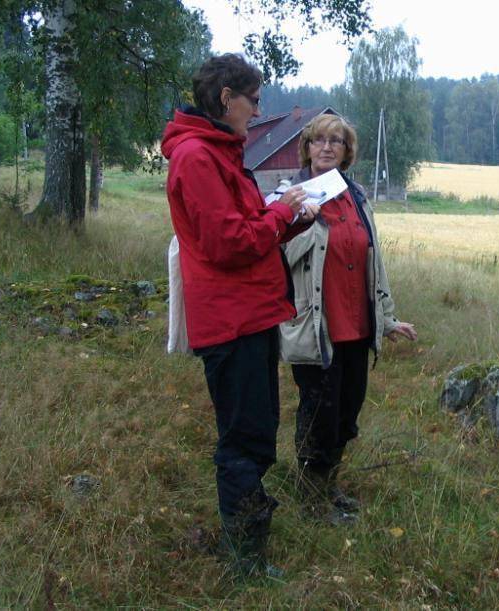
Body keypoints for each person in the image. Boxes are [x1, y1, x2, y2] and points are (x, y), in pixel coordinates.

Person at [161, 53, 319, 577]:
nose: (257, 110)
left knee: (255, 432)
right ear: (226, 97)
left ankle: (247, 543)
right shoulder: (197, 158)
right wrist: (280, 211)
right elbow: (229, 242)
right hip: (230, 321)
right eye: (253, 99)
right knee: (244, 439)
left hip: (249, 313)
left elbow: (250, 227)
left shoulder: (221, 152)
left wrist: (292, 218)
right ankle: (245, 559)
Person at [280, 113, 417, 523]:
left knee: (346, 412)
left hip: (357, 326)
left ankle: (330, 485)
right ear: (307, 148)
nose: (326, 147)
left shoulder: (357, 196)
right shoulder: (290, 196)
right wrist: (301, 219)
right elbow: (278, 257)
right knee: (318, 413)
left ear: (346, 150)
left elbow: (373, 260)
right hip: (316, 327)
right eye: (319, 140)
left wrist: (388, 319)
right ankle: (311, 500)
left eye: (335, 141)